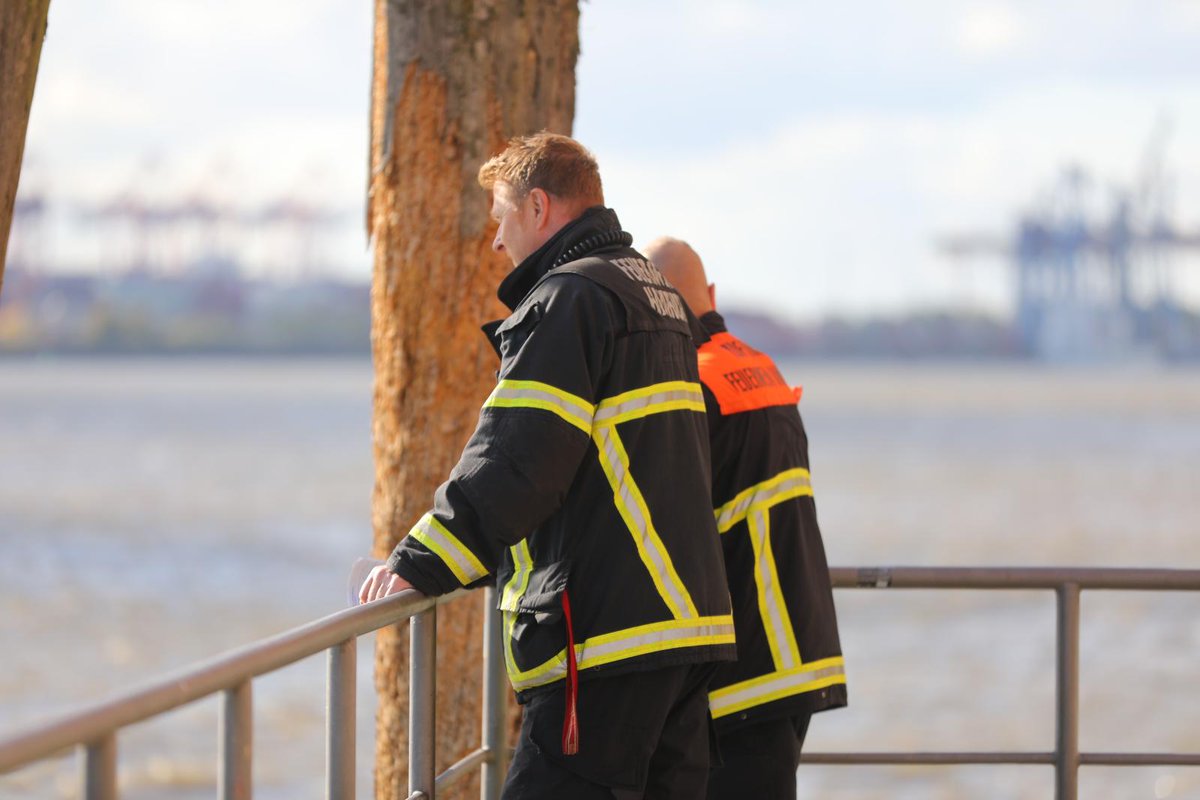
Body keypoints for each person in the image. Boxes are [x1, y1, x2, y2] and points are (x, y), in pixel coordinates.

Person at [360, 134, 736, 800]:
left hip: (610, 641)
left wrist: (418, 562)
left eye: (502, 219)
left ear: (538, 208)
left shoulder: (569, 299)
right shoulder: (657, 296)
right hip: (687, 629)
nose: (498, 244)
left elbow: (518, 457)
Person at [644, 237, 848, 800]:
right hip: (798, 655)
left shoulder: (686, 385)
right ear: (709, 294)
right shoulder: (762, 369)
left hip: (742, 671)